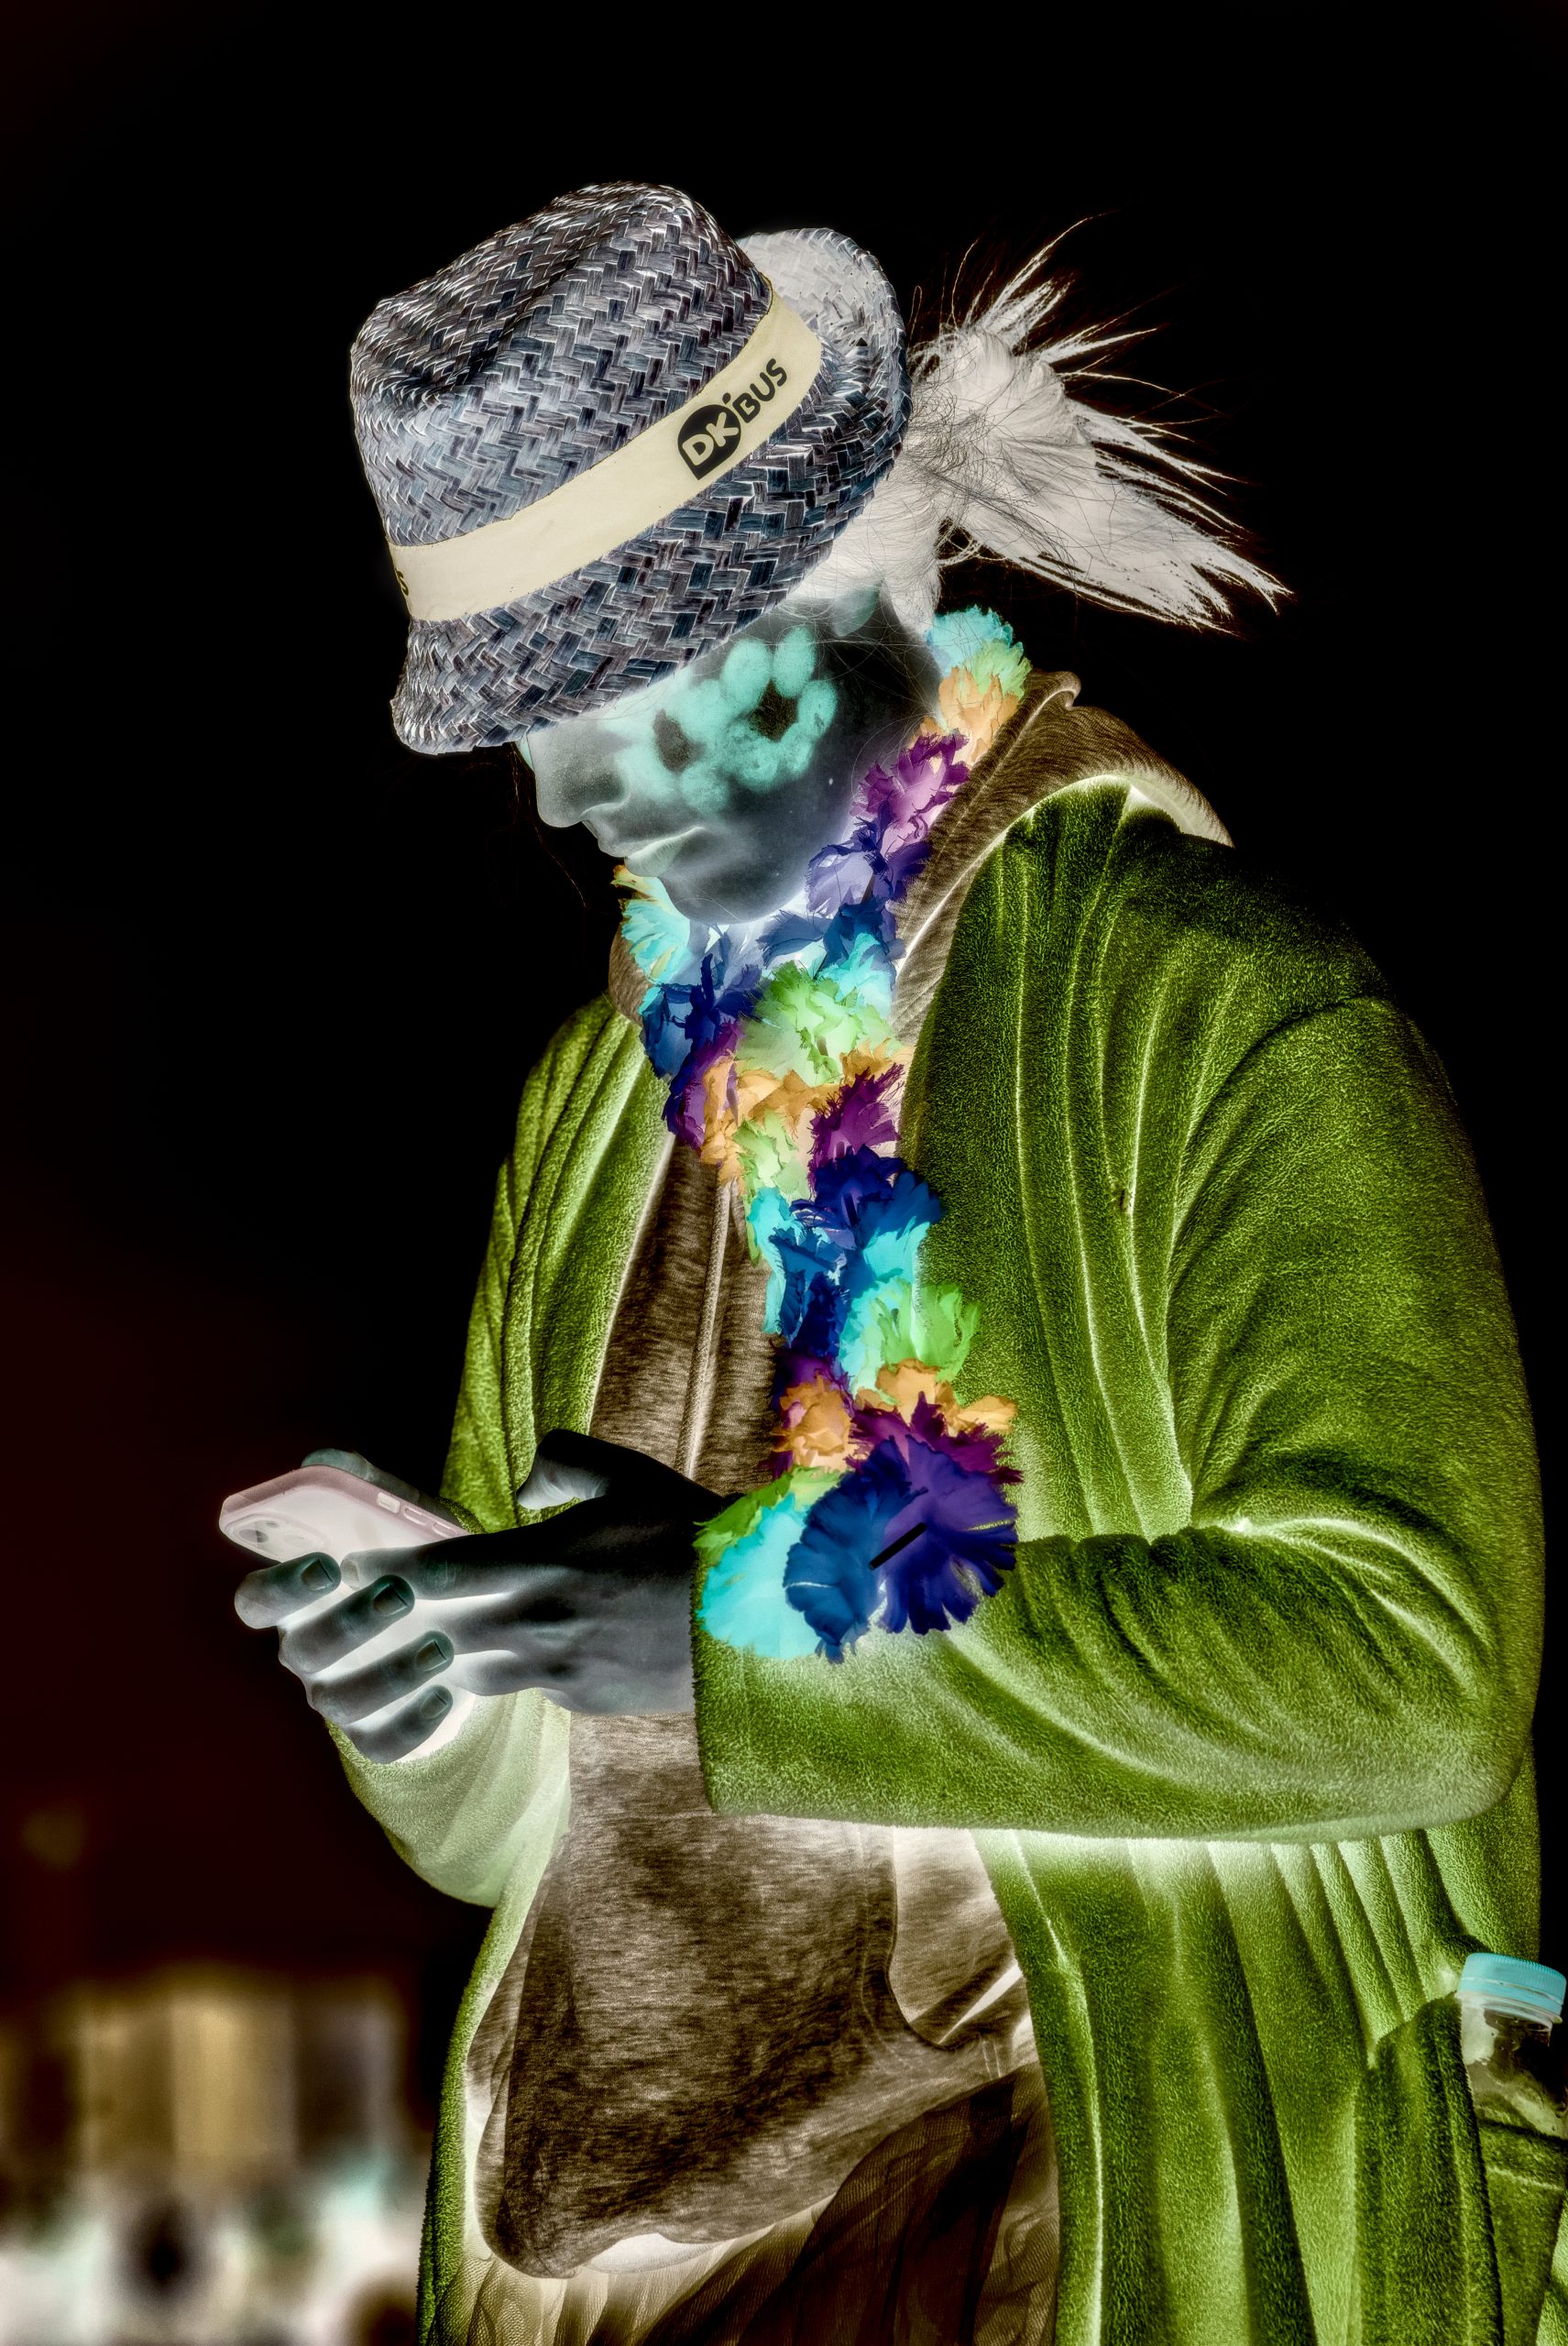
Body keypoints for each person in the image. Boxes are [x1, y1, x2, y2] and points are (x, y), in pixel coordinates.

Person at [236, 184, 1558, 2344]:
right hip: (608, 2268)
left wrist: (735, 1632)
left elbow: (1417, 1667)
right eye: (531, 717)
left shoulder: (1226, 1006)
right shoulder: (591, 1106)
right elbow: (538, 1837)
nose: (564, 787)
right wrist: (440, 1697)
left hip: (1067, 2233)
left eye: (619, 686)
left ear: (848, 588)